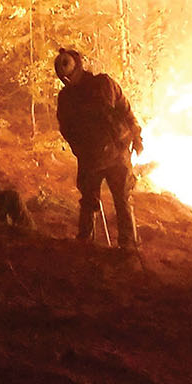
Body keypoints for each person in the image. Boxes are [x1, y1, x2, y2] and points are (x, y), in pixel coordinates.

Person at [53, 47, 142, 249]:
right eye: (62, 70)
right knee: (89, 201)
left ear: (77, 65)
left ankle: (128, 247)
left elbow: (125, 109)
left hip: (117, 154)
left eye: (67, 65)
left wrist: (136, 136)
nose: (65, 73)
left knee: (122, 200)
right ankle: (86, 243)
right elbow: (66, 129)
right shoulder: (66, 98)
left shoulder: (103, 84)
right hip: (90, 158)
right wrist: (80, 150)